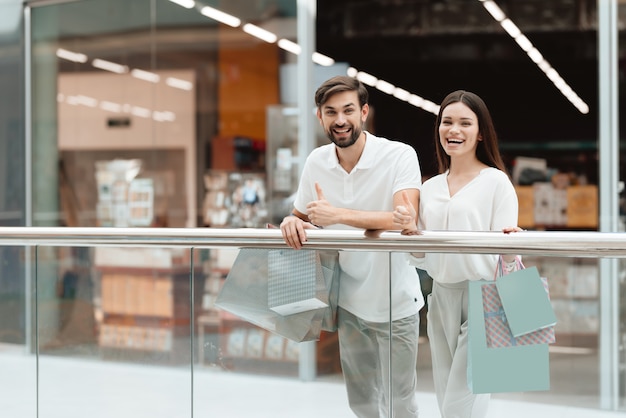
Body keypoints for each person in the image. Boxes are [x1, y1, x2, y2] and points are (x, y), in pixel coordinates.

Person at [280, 75, 424, 418]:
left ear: (364, 112)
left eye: (348, 110)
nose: (340, 120)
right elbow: (301, 214)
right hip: (349, 305)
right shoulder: (317, 162)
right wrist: (291, 221)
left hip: (396, 303)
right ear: (320, 117)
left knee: (400, 403)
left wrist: (338, 215)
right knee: (360, 403)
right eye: (331, 112)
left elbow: (404, 220)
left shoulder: (398, 155)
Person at [393, 90, 520, 418]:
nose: (454, 130)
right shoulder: (430, 187)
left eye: (465, 123)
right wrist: (409, 231)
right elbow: (419, 258)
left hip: (485, 299)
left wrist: (513, 245)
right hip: (440, 298)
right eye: (447, 122)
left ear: (481, 133)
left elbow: (507, 251)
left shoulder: (496, 183)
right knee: (449, 397)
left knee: (458, 407)